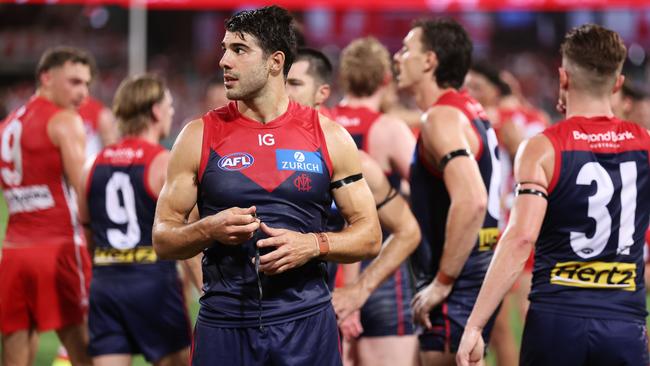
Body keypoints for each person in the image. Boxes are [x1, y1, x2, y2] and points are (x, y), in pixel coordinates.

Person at [151, 6, 381, 366]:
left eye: (239, 50)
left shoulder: (329, 136)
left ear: (275, 62)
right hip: (224, 325)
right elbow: (162, 239)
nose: (224, 61)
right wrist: (207, 228)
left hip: (306, 326)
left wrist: (313, 245)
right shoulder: (197, 135)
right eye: (224, 49)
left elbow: (369, 235)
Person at [457, 24, 650, 366]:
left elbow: (520, 238)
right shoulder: (645, 144)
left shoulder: (543, 148)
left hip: (556, 318)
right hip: (623, 320)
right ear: (618, 83)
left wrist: (475, 325)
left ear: (563, 78)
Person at [286, 52, 422, 366]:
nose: (286, 92)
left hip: (340, 271)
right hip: (372, 271)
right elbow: (422, 200)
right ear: (386, 81)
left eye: (294, 83)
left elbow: (352, 221)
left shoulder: (333, 140)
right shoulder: (386, 129)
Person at [393, 19, 502, 365]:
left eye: (407, 49)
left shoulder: (440, 118)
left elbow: (472, 200)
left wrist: (442, 281)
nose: (398, 57)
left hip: (458, 278)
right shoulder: (466, 109)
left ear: (430, 60)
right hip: (479, 265)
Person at [77, 74, 192, 366]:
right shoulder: (164, 162)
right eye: (168, 104)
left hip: (105, 282)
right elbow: (189, 236)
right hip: (152, 281)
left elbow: (88, 231)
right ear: (155, 110)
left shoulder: (91, 165)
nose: (172, 111)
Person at [0, 46, 93, 366]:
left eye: (86, 84)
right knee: (85, 350)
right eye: (74, 82)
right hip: (58, 248)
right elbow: (82, 190)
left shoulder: (8, 124)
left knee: (15, 351)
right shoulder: (65, 120)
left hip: (13, 252)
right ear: (46, 77)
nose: (82, 92)